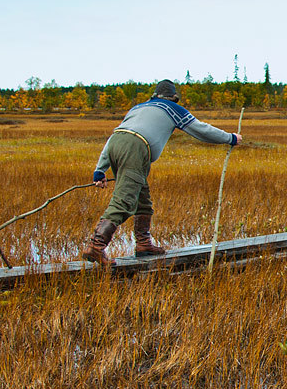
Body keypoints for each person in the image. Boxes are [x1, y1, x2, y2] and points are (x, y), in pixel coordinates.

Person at [80, 79, 239, 265]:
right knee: (124, 200)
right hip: (136, 148)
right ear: (173, 98)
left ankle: (143, 244)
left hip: (117, 143)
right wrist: (231, 138)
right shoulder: (172, 108)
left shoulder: (137, 108)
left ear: (154, 95)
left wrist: (100, 170)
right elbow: (200, 130)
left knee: (142, 199)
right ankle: (96, 246)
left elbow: (117, 135)